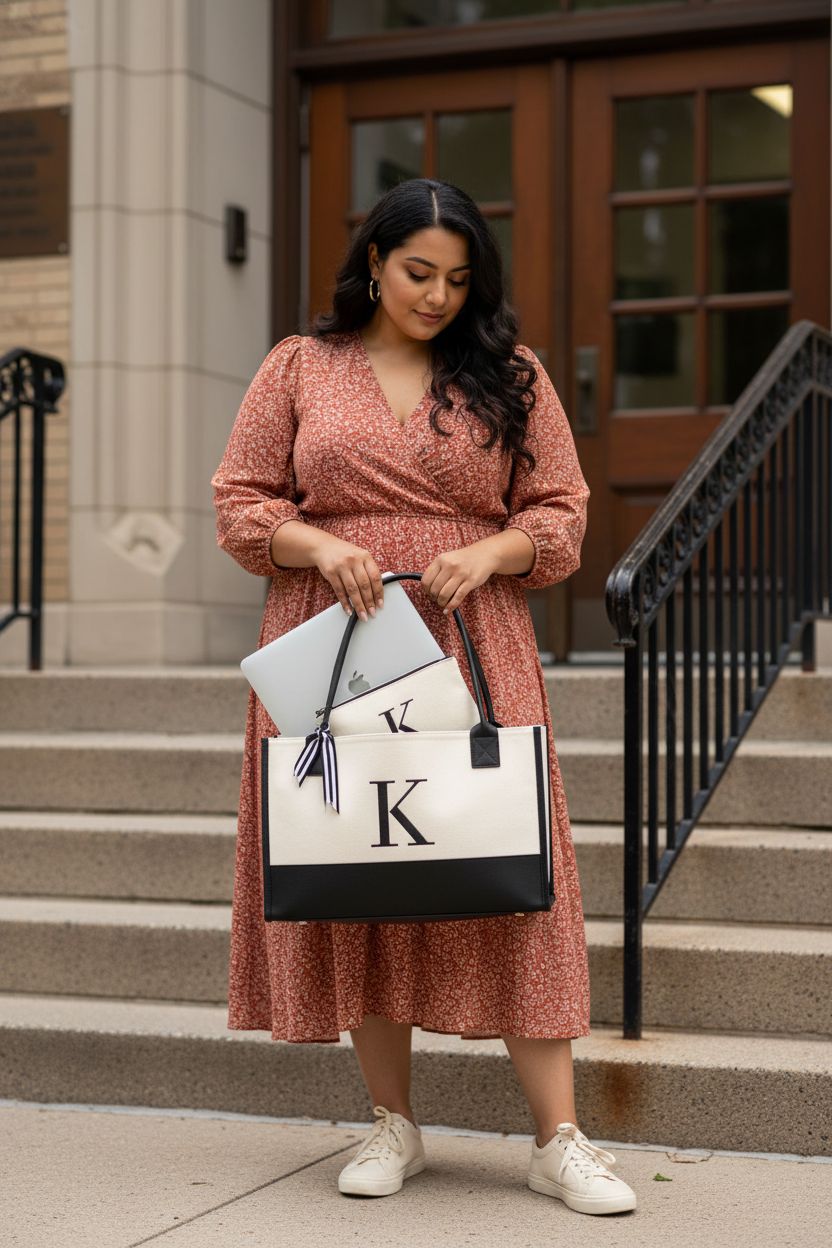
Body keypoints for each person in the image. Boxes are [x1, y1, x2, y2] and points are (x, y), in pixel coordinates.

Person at [211, 177, 636, 1216]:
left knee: (513, 869)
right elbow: (240, 502)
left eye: (457, 279)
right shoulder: (300, 367)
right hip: (333, 638)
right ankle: (391, 1122)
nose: (437, 296)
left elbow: (561, 514)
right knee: (357, 864)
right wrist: (318, 542)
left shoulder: (511, 375)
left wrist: (491, 550)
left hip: (473, 639)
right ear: (372, 262)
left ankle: (558, 1138)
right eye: (416, 273)